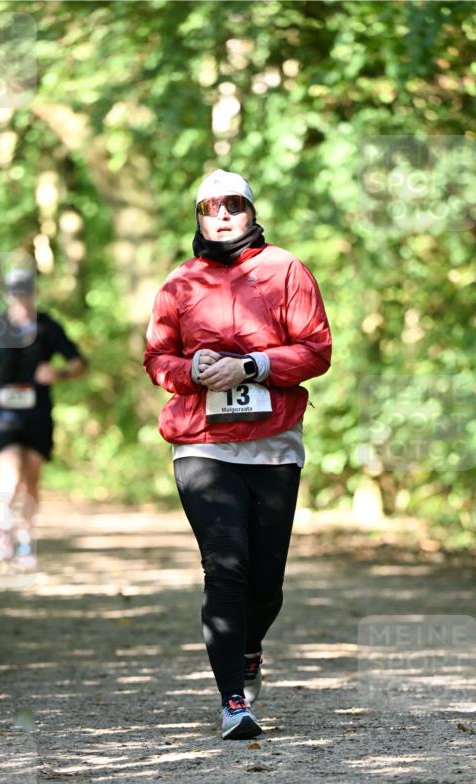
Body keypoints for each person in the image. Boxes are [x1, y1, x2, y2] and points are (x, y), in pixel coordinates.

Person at [144, 169, 331, 740]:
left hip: (273, 445)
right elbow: (157, 360)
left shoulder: (286, 270)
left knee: (266, 582)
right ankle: (233, 704)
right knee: (225, 567)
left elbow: (317, 350)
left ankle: (250, 648)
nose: (221, 216)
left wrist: (253, 366)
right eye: (209, 207)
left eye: (233, 205)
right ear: (197, 217)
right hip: (201, 443)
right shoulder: (179, 284)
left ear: (251, 211)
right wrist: (190, 370)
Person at [0, 268, 87, 565]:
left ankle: (25, 537)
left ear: (33, 293)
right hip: (6, 413)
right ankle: (3, 529)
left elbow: (79, 363)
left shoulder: (48, 327)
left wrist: (58, 373)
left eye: (25, 292)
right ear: (8, 295)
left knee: (32, 480)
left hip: (38, 413)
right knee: (9, 475)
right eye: (15, 293)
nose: (20, 298)